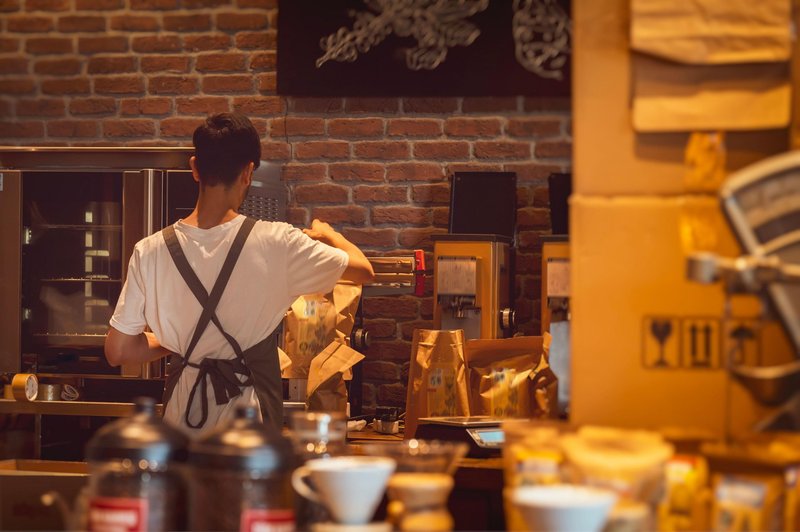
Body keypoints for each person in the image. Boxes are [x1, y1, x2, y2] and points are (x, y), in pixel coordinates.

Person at [104, 112, 374, 438]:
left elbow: (118, 351)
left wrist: (181, 341)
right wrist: (329, 234)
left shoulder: (149, 250)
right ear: (248, 173)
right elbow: (363, 271)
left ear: (194, 167)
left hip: (181, 425)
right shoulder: (277, 242)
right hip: (248, 431)